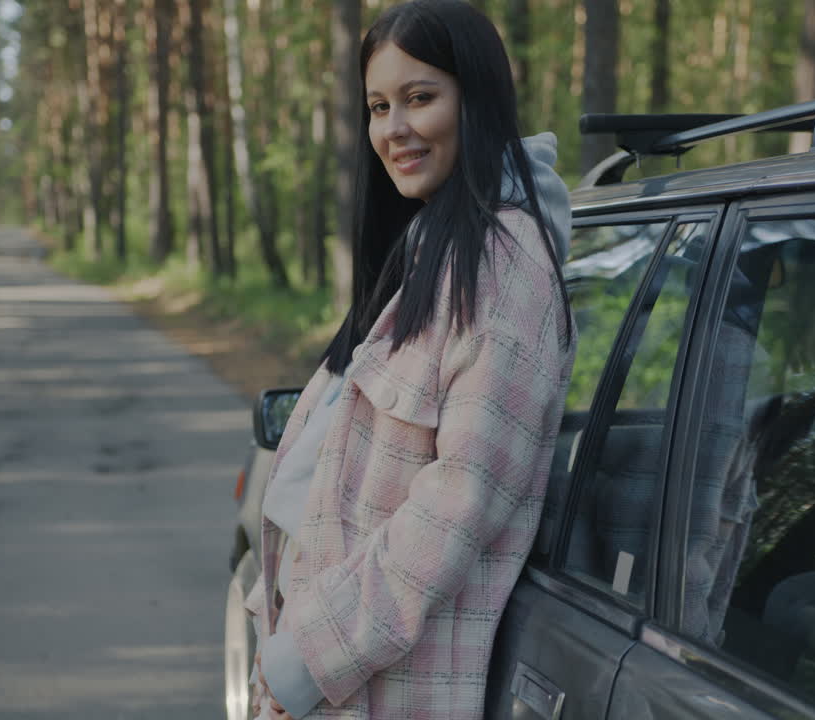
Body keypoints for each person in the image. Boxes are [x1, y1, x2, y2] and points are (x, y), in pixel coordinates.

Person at [243, 1, 575, 718]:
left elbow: (460, 502)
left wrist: (306, 657)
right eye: (378, 105)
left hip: (385, 683)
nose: (394, 129)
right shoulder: (431, 248)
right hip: (340, 675)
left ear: (477, 99)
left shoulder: (506, 264)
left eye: (420, 98)